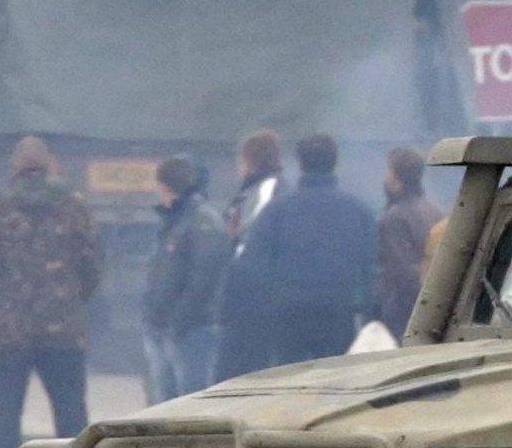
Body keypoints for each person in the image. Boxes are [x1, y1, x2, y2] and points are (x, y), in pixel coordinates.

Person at [0, 136, 100, 448]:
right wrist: (74, 301)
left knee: (5, 410)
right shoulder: (74, 205)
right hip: (64, 329)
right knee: (71, 411)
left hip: (11, 329)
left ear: (14, 167)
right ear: (50, 165)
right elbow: (91, 264)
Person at [243, 134, 375, 365]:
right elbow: (371, 266)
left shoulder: (276, 212)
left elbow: (254, 264)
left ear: (300, 163)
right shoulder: (358, 212)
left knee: (289, 383)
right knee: (337, 383)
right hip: (339, 313)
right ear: (334, 162)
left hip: (286, 317)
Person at [142, 156, 230, 404]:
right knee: (163, 406)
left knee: (191, 405)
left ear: (163, 185)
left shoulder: (202, 221)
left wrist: (179, 320)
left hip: (191, 330)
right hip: (165, 326)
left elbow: (204, 278)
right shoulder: (175, 219)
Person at [214, 129, 285, 382]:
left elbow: (251, 238)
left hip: (250, 298)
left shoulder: (267, 189)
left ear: (251, 161)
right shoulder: (252, 189)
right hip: (247, 296)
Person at [373, 146, 443, 340]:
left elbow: (401, 273)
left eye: (388, 172)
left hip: (403, 316)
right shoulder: (434, 211)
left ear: (396, 180)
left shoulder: (394, 218)